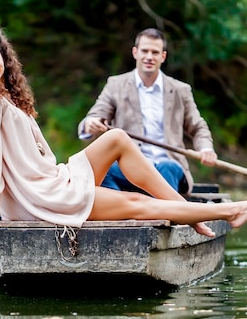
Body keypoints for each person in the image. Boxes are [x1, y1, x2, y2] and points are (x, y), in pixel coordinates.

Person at [0, 20, 247, 242]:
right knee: (135, 203)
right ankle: (230, 210)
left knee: (117, 138)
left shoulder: (6, 95)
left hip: (52, 179)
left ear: (4, 57)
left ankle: (189, 212)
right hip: (40, 198)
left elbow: (198, 126)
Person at [78, 27, 217, 195]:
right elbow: (95, 115)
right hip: (129, 168)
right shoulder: (116, 85)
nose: (149, 57)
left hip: (167, 166)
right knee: (103, 168)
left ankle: (166, 214)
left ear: (163, 56)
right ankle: (120, 212)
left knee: (168, 167)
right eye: (145, 51)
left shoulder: (181, 90)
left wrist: (206, 149)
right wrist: (90, 123)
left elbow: (198, 127)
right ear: (135, 52)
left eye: (155, 52)